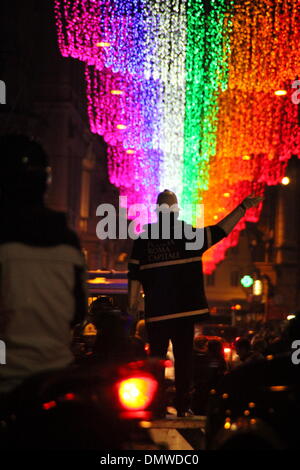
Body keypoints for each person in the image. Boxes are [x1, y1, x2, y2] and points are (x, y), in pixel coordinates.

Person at [128, 189, 262, 416]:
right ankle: (181, 406)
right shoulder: (187, 235)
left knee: (156, 361)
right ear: (176, 210)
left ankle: (155, 405)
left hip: (157, 314)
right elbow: (221, 230)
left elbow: (134, 275)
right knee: (183, 361)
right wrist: (242, 208)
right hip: (183, 312)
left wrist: (132, 307)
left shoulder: (144, 239)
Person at [0, 135, 87, 396]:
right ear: (46, 182)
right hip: (55, 374)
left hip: (7, 379)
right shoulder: (68, 240)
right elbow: (78, 312)